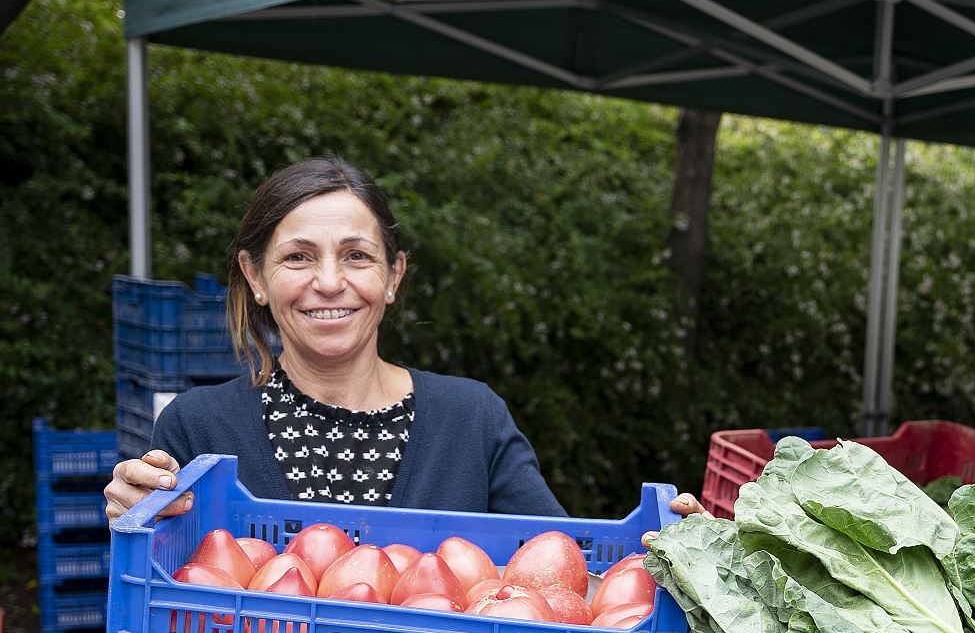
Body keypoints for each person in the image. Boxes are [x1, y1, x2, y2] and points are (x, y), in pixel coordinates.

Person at [104, 157, 700, 523]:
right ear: (256, 277)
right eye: (299, 257)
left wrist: (669, 559)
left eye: (357, 256)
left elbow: (561, 575)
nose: (330, 282)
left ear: (393, 276)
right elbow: (167, 595)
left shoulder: (473, 419)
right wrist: (138, 516)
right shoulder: (197, 428)